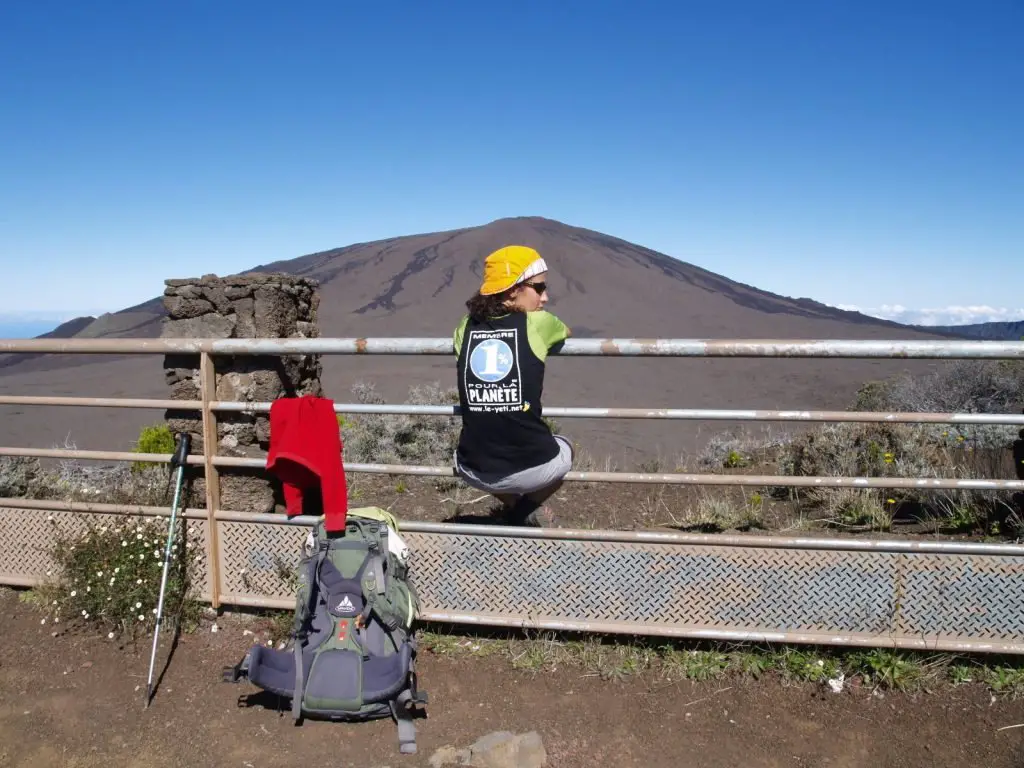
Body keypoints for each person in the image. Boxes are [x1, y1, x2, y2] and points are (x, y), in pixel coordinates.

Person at [452, 245, 573, 526]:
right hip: (532, 469)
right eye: (539, 287)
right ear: (511, 291)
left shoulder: (464, 326)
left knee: (482, 456)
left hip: (471, 468)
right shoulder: (538, 322)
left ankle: (515, 507)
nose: (545, 297)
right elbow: (565, 332)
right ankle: (523, 511)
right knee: (567, 447)